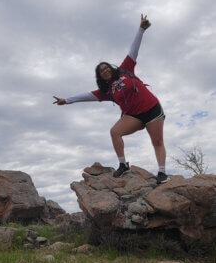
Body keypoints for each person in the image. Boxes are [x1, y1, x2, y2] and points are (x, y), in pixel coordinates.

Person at [53, 14, 169, 184]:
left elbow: (133, 50)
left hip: (152, 109)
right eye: (102, 71)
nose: (105, 70)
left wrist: (141, 29)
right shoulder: (106, 91)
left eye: (106, 67)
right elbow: (86, 96)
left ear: (111, 68)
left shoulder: (125, 69)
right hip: (134, 116)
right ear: (99, 76)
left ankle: (162, 172)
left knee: (157, 141)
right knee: (115, 132)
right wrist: (67, 100)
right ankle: (123, 164)